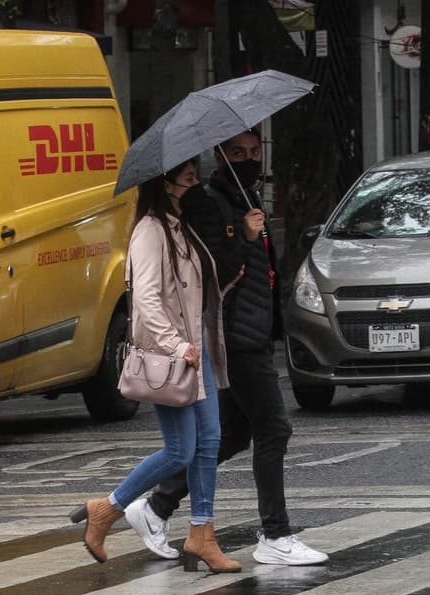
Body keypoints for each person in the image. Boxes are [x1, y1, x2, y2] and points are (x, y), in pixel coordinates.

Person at [124, 128, 329, 566]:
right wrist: (246, 236)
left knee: (233, 433)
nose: (249, 159)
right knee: (273, 429)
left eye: (255, 151)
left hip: (252, 331)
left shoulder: (246, 198)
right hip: (233, 336)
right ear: (220, 157)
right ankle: (274, 534)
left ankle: (157, 505)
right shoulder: (210, 205)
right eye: (238, 152)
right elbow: (214, 272)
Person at [69, 157, 240, 574]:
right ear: (162, 182)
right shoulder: (150, 230)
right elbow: (145, 299)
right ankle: (107, 510)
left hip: (196, 349)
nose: (193, 181)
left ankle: (203, 534)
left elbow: (192, 288)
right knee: (181, 449)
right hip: (174, 355)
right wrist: (177, 344)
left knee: (208, 442)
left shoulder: (181, 226)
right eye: (186, 176)